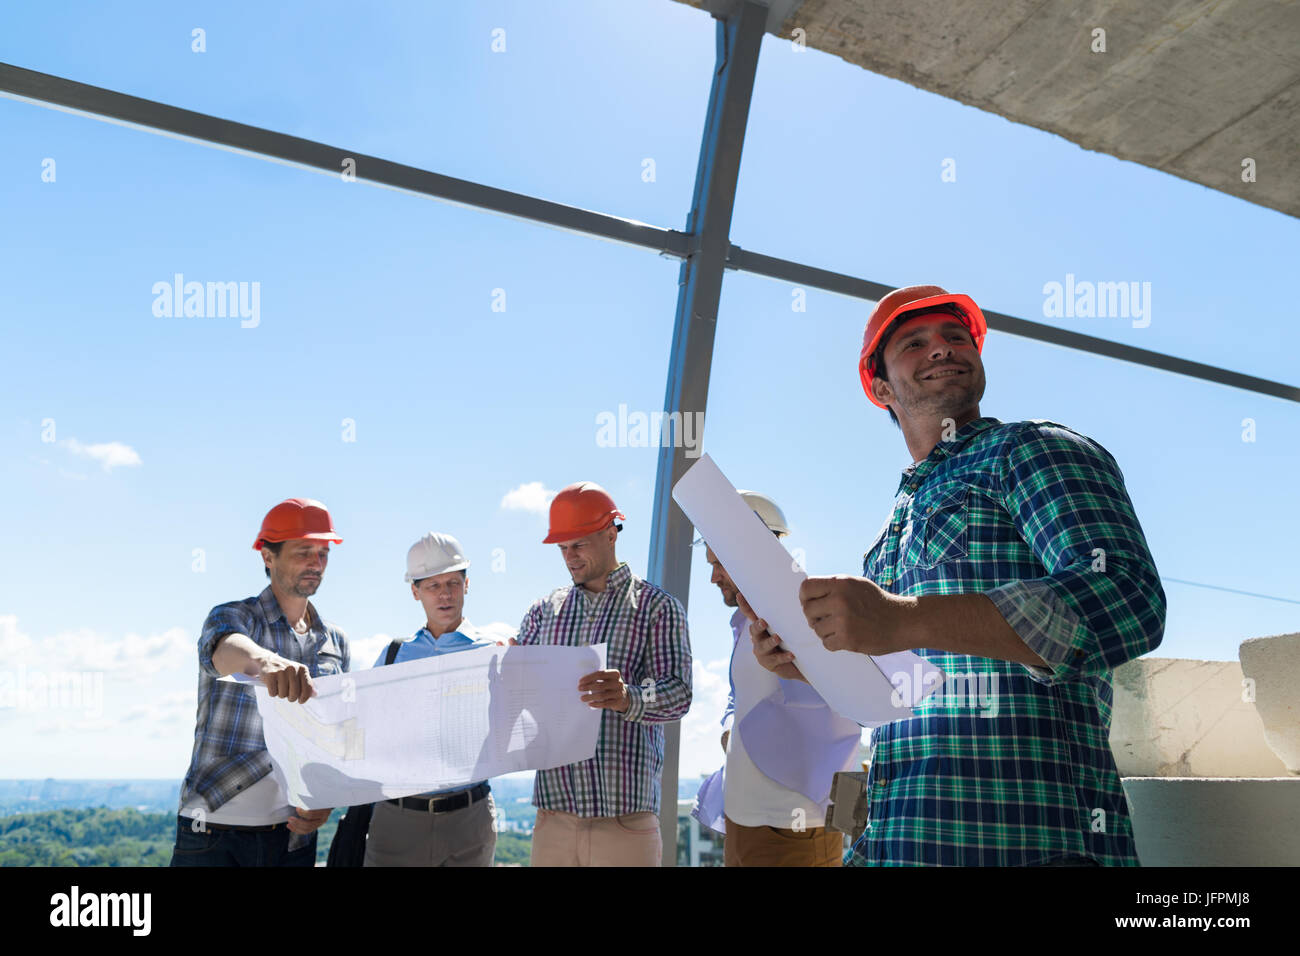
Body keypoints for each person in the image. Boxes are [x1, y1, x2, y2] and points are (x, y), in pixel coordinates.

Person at [743, 284, 1166, 866]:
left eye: (956, 337)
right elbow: (902, 687)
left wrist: (899, 618)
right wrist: (814, 662)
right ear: (881, 388)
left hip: (1027, 843)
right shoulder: (888, 536)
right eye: (915, 343)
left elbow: (1125, 600)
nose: (942, 348)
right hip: (898, 842)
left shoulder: (1031, 450)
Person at [516, 481, 692, 866]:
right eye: (563, 548)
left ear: (611, 534)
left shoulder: (657, 608)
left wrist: (629, 697)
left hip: (624, 822)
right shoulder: (543, 612)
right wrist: (507, 672)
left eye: (578, 545)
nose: (569, 557)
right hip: (553, 816)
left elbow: (679, 693)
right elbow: (517, 701)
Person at [171, 497, 349, 867]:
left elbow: (334, 736)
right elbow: (224, 650)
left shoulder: (335, 642)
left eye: (323, 553)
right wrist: (268, 664)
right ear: (268, 557)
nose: (316, 563)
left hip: (292, 839)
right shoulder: (235, 617)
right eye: (304, 552)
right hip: (214, 833)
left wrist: (325, 801)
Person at [696, 491, 861, 867]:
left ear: (752, 549)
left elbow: (849, 699)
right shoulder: (746, 621)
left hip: (793, 827)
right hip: (743, 822)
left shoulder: (807, 613)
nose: (712, 577)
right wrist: (729, 728)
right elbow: (739, 696)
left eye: (719, 563)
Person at [363, 532, 501, 867]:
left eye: (453, 582)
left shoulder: (494, 653)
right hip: (397, 819)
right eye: (433, 586)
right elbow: (366, 727)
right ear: (415, 591)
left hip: (469, 819)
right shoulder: (394, 655)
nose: (445, 594)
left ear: (467, 585)